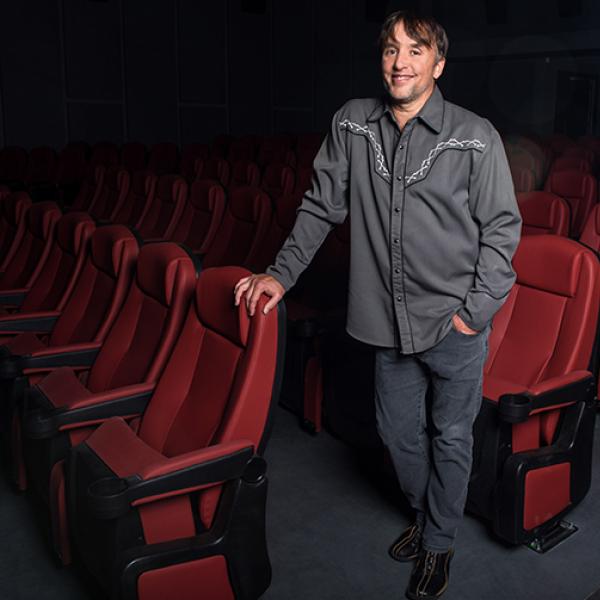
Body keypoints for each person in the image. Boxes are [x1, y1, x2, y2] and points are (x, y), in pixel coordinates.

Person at [234, 10, 521, 600]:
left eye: (416, 51)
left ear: (437, 65)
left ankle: (438, 542)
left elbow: (502, 231)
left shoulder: (475, 136)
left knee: (451, 437)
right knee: (396, 435)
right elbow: (319, 209)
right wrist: (279, 276)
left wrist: (473, 314)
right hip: (387, 324)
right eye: (392, 49)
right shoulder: (353, 125)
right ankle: (427, 514)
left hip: (454, 325)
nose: (400, 61)